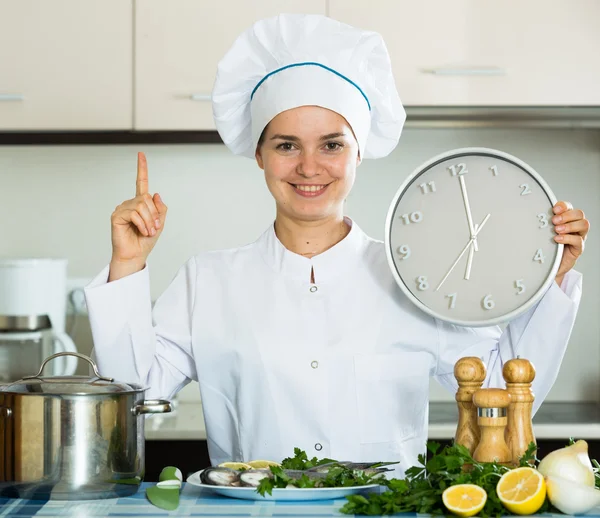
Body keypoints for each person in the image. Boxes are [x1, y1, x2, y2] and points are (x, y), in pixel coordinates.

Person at [84, 14, 589, 476]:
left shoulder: (418, 279)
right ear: (259, 154)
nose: (309, 167)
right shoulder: (207, 281)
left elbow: (504, 397)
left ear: (358, 153)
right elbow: (132, 401)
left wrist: (553, 274)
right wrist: (127, 263)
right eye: (286, 145)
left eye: (331, 144)